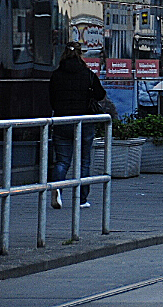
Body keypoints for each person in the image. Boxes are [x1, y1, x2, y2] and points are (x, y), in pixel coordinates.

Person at [48, 41, 106, 209]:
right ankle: (81, 199)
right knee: (84, 161)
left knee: (62, 161)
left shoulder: (56, 75)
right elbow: (100, 94)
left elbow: (52, 100)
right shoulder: (88, 74)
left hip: (62, 122)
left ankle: (57, 188)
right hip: (84, 122)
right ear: (81, 55)